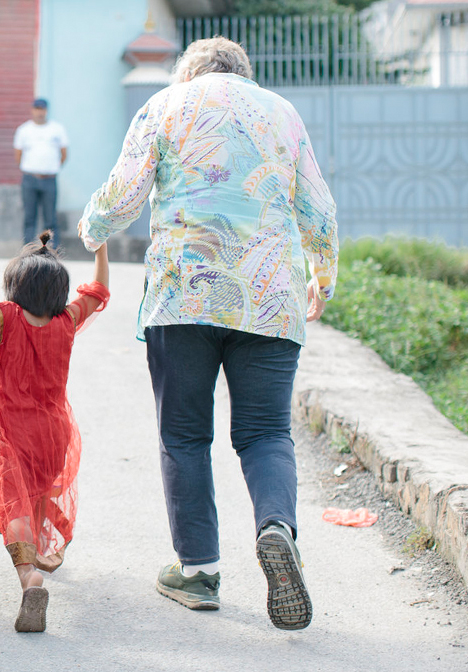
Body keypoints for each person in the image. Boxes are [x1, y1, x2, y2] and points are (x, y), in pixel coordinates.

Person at [79, 37, 338, 631]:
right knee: (267, 432)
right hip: (270, 299)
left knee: (186, 435)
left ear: (188, 72)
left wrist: (90, 231)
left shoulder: (166, 106)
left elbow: (123, 195)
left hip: (184, 293)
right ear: (243, 75)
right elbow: (317, 210)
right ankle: (276, 527)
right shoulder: (283, 112)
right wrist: (321, 278)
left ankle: (197, 572)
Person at [0, 232, 110, 633]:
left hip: (9, 431)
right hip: (53, 431)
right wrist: (101, 246)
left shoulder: (6, 317)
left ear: (15, 287)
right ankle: (40, 553)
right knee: (36, 494)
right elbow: (99, 291)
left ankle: (29, 578)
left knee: (14, 506)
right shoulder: (67, 320)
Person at [14, 98, 68, 244]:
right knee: (29, 217)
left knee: (50, 217)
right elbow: (18, 155)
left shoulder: (57, 129)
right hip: (30, 179)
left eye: (42, 109)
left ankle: (52, 249)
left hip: (49, 179)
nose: (39, 112)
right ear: (32, 110)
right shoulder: (24, 130)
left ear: (46, 110)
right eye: (37, 109)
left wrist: (51, 168)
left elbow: (64, 154)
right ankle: (28, 251)